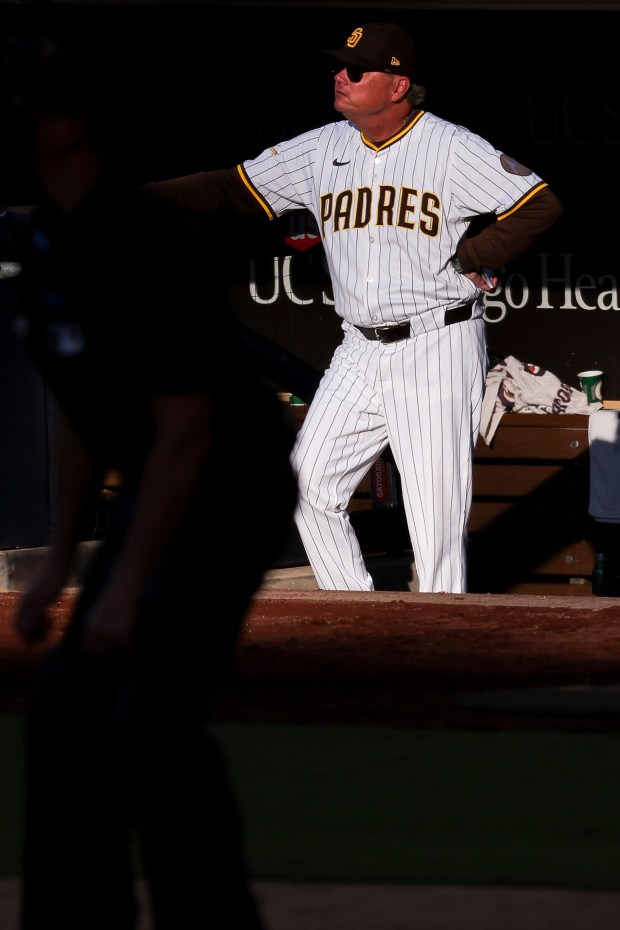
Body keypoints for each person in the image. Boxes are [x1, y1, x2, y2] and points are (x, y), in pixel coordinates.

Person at [10, 39, 297, 930]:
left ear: (70, 127)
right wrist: (60, 563)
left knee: (150, 718)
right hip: (168, 484)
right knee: (64, 706)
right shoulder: (48, 243)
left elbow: (188, 429)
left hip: (228, 487)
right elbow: (80, 407)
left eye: (32, 105)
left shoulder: (139, 242)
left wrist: (122, 589)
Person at [145, 20, 563, 594]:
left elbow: (538, 202)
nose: (340, 76)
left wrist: (475, 252)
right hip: (359, 349)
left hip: (436, 343)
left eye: (356, 69)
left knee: (434, 525)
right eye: (339, 66)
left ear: (397, 85)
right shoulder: (323, 147)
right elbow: (229, 187)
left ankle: (436, 664)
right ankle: (362, 619)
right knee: (308, 485)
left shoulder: (450, 145)